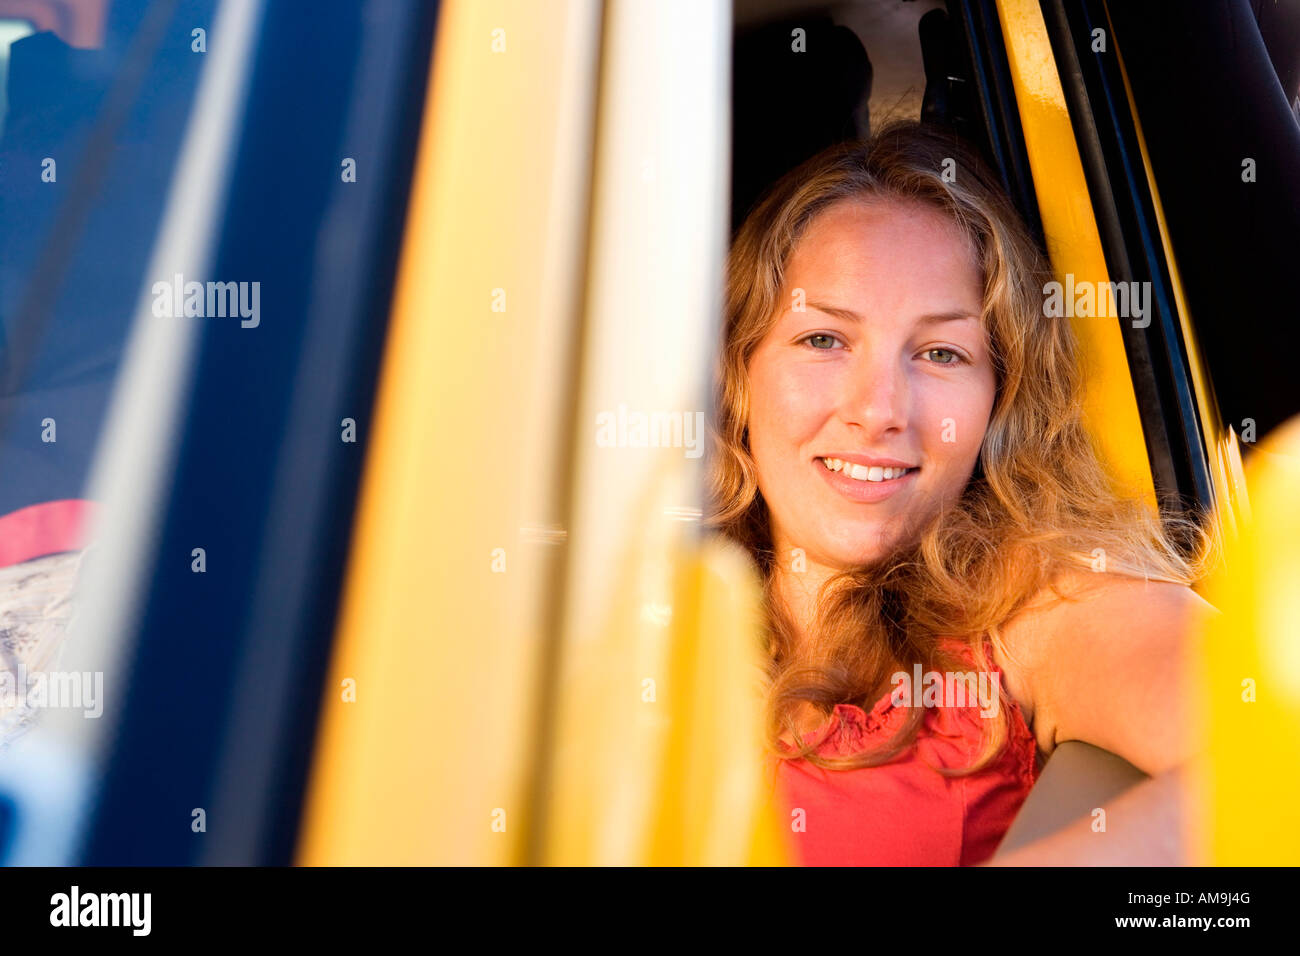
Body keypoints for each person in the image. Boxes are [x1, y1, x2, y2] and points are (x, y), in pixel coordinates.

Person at [706, 121, 1221, 865]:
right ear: (740, 369)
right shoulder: (628, 603)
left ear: (999, 400)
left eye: (941, 353)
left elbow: (1274, 737)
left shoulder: (1030, 603)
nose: (879, 409)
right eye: (824, 339)